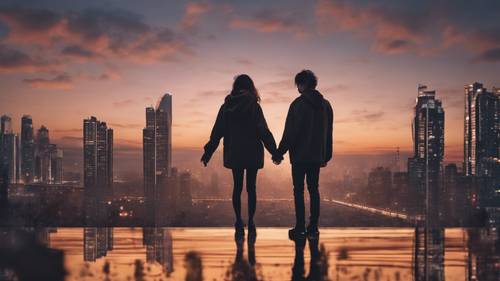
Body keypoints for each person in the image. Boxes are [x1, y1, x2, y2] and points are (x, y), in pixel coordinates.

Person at [201, 74, 280, 241]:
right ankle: (251, 222)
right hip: (252, 153)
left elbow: (217, 131)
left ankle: (238, 221)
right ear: (251, 87)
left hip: (234, 152)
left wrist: (208, 152)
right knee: (251, 188)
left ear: (235, 87)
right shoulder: (254, 106)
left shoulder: (226, 107)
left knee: (237, 188)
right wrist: (275, 152)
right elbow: (263, 132)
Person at [273, 70, 333, 240]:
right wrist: (325, 156)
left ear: (301, 85)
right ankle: (313, 227)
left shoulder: (297, 105)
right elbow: (329, 133)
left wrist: (279, 153)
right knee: (314, 190)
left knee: (298, 191)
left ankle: (300, 227)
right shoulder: (326, 105)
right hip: (316, 157)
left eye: (298, 85)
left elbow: (290, 133)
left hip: (299, 157)